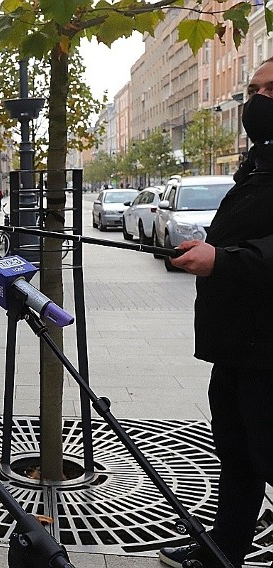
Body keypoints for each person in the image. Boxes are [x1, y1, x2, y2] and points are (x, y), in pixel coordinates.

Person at [159, 57, 273, 568]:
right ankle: (223, 549)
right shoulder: (258, 162)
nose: (255, 101)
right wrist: (205, 249)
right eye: (253, 89)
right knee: (238, 453)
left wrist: (223, 260)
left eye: (269, 90)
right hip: (238, 343)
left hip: (269, 349)